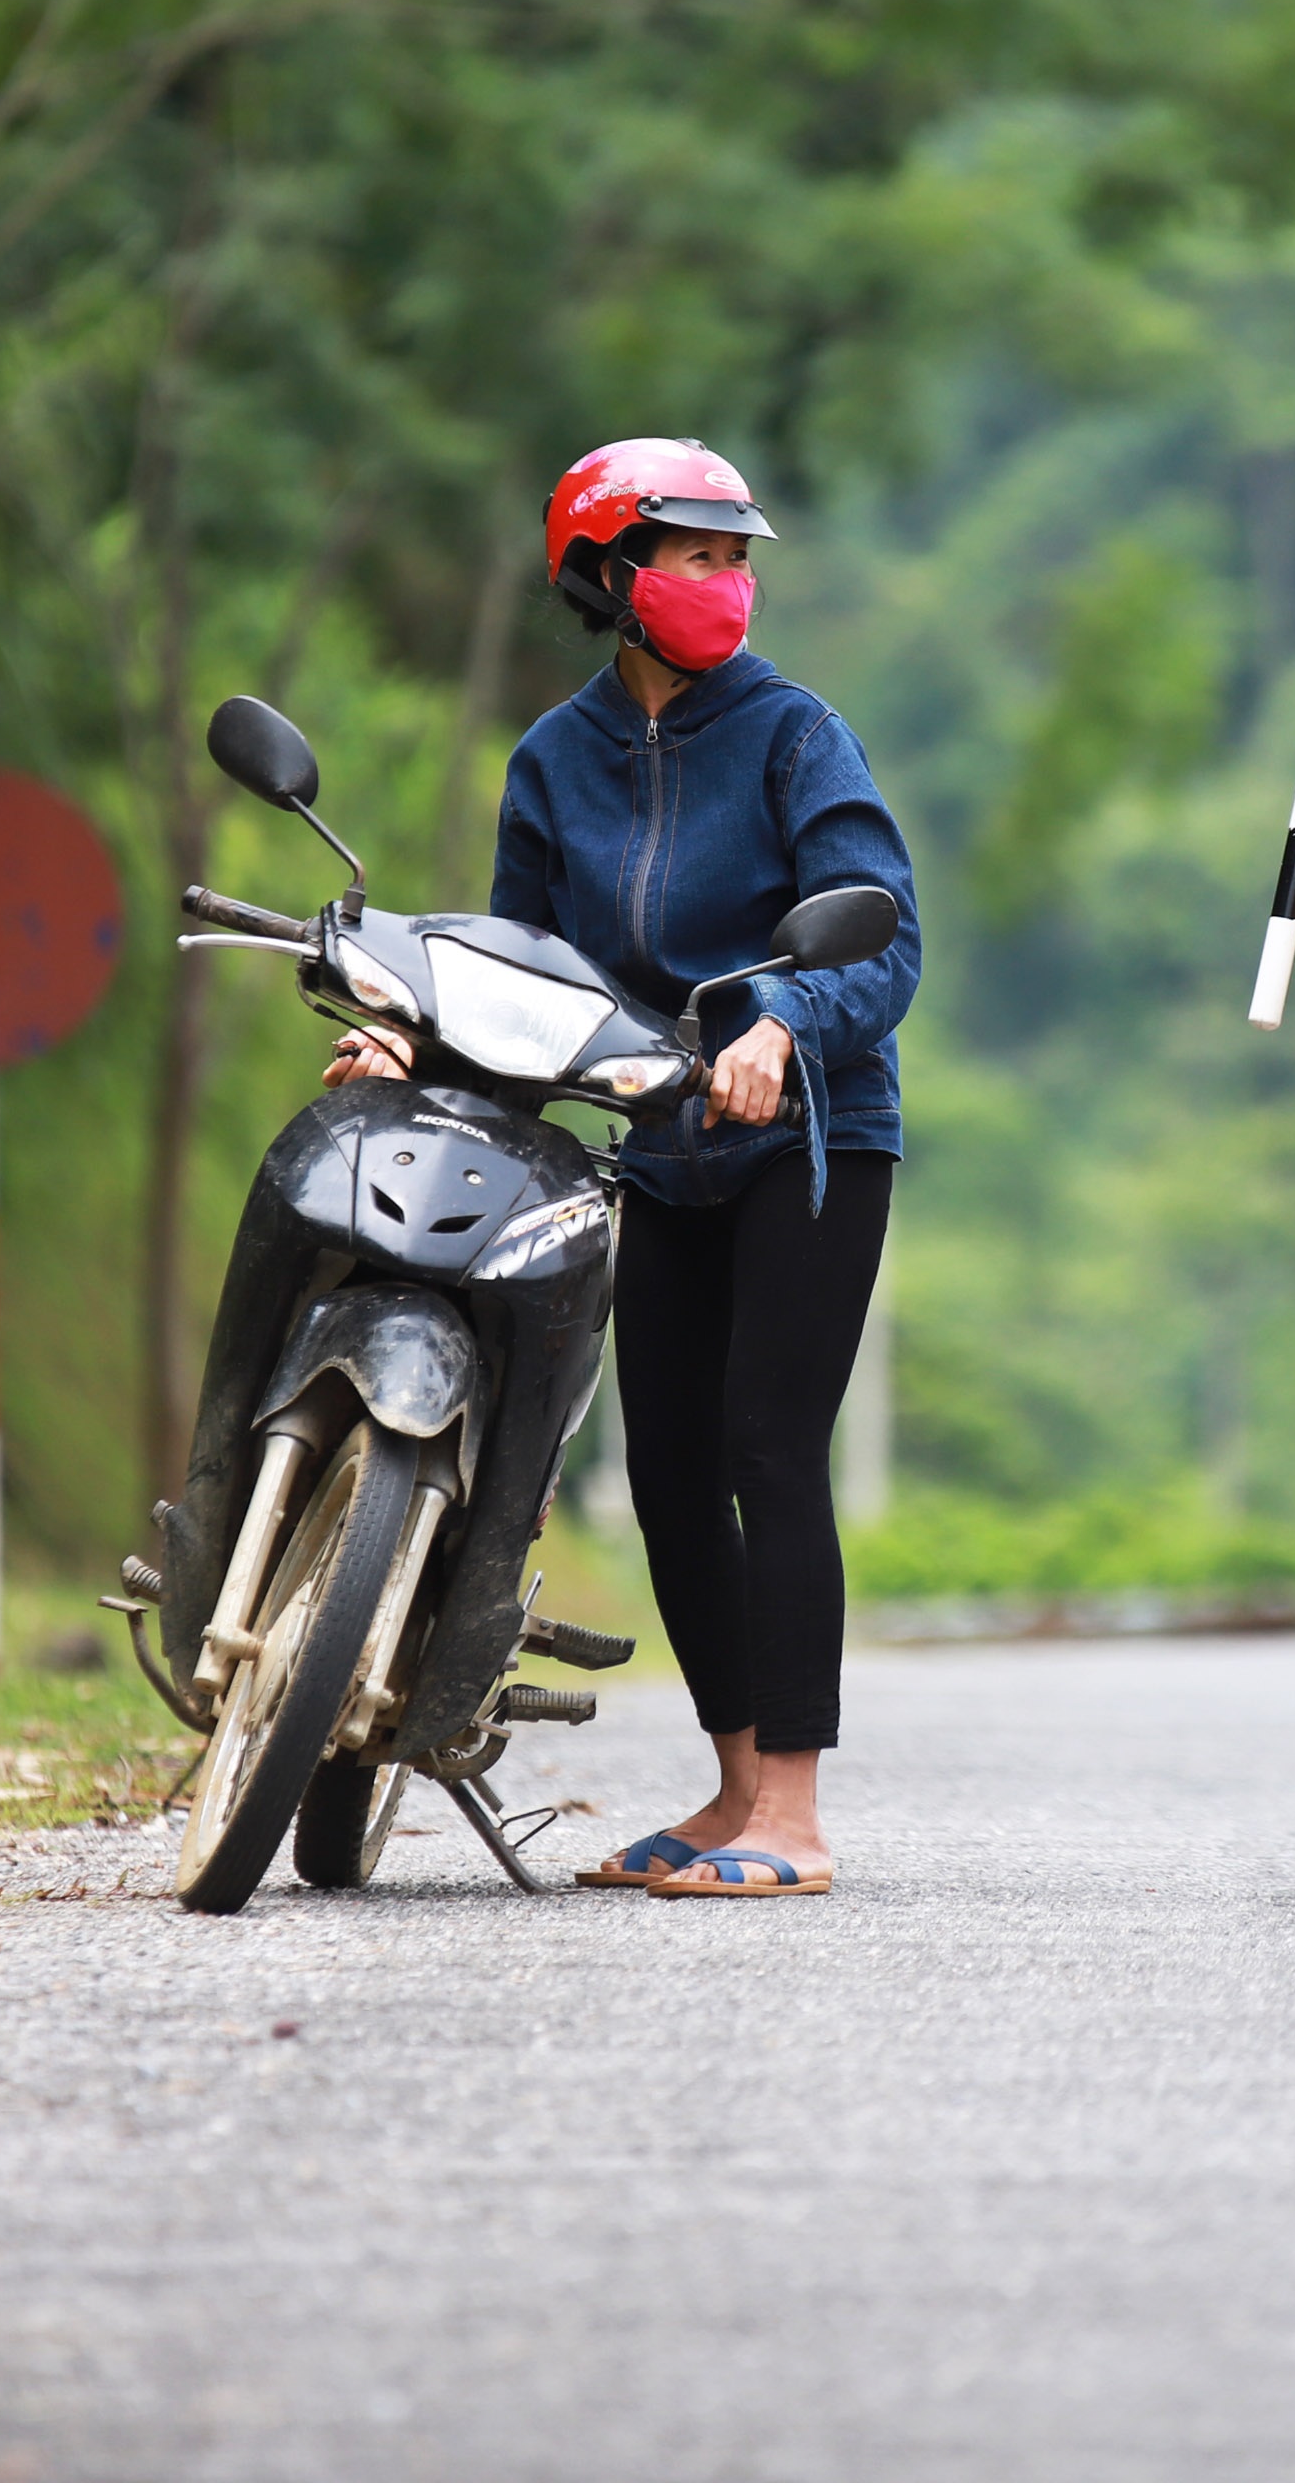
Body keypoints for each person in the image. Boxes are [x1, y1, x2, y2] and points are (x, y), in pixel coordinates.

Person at [327, 437, 921, 1899]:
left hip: (807, 1139)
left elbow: (883, 930)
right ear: (610, 575)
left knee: (769, 1450)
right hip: (660, 1148)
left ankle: (795, 1813)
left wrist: (783, 1018)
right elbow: (522, 970)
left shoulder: (794, 736)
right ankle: (730, 1791)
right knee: (664, 1471)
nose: (731, 582)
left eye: (738, 556)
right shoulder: (555, 761)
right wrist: (415, 1043)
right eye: (696, 555)